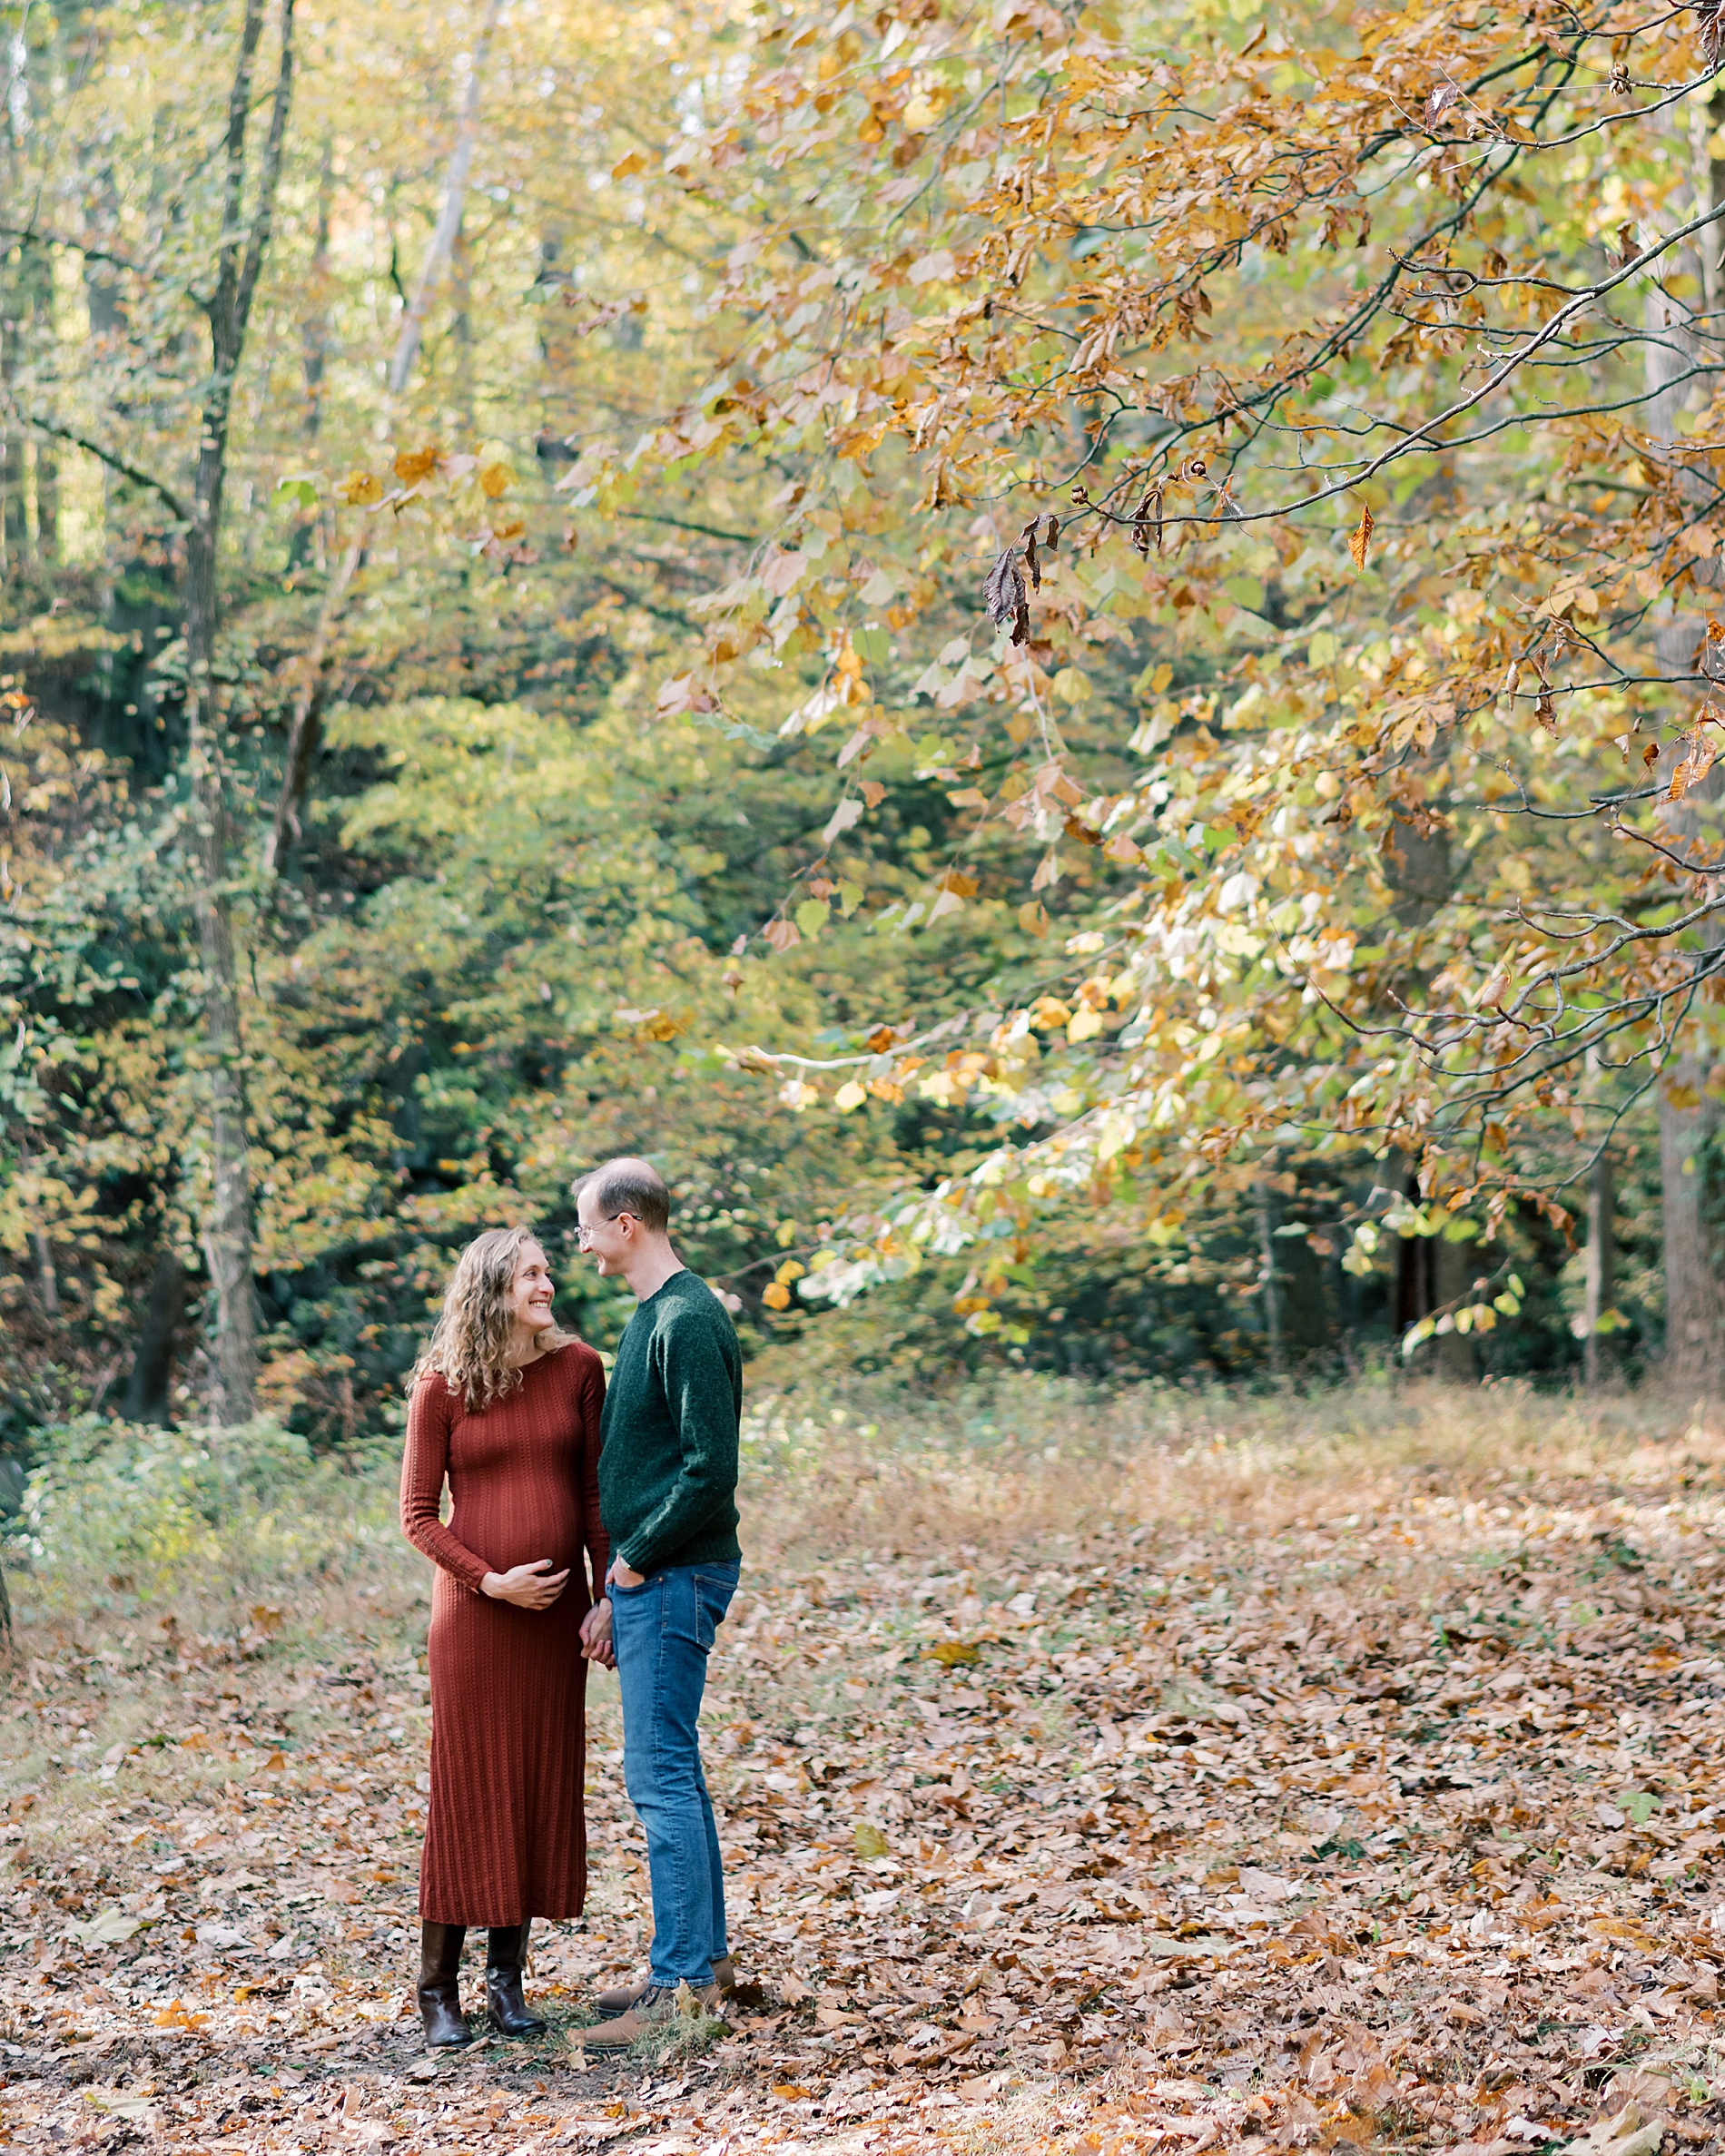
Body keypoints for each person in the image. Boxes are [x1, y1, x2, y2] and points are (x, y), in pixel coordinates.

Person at [399, 1226, 615, 2047]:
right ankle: (436, 1986)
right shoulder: (443, 1386)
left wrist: (604, 1601)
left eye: (548, 1270)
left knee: (533, 1786)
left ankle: (507, 1980)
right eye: (530, 1272)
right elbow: (417, 1517)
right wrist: (490, 1580)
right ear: (490, 1288)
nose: (548, 1282)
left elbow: (596, 1498)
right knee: (468, 1791)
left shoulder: (579, 1368)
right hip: (478, 1622)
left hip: (556, 1623)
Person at [573, 1157, 743, 2046]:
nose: (581, 1242)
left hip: (677, 1574)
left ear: (626, 1222)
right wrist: (618, 1582)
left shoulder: (684, 1317)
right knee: (674, 1768)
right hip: (657, 1576)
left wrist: (633, 1560)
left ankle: (678, 1993)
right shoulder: (655, 1317)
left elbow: (710, 1469)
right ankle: (700, 1961)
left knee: (659, 1776)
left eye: (586, 1225)